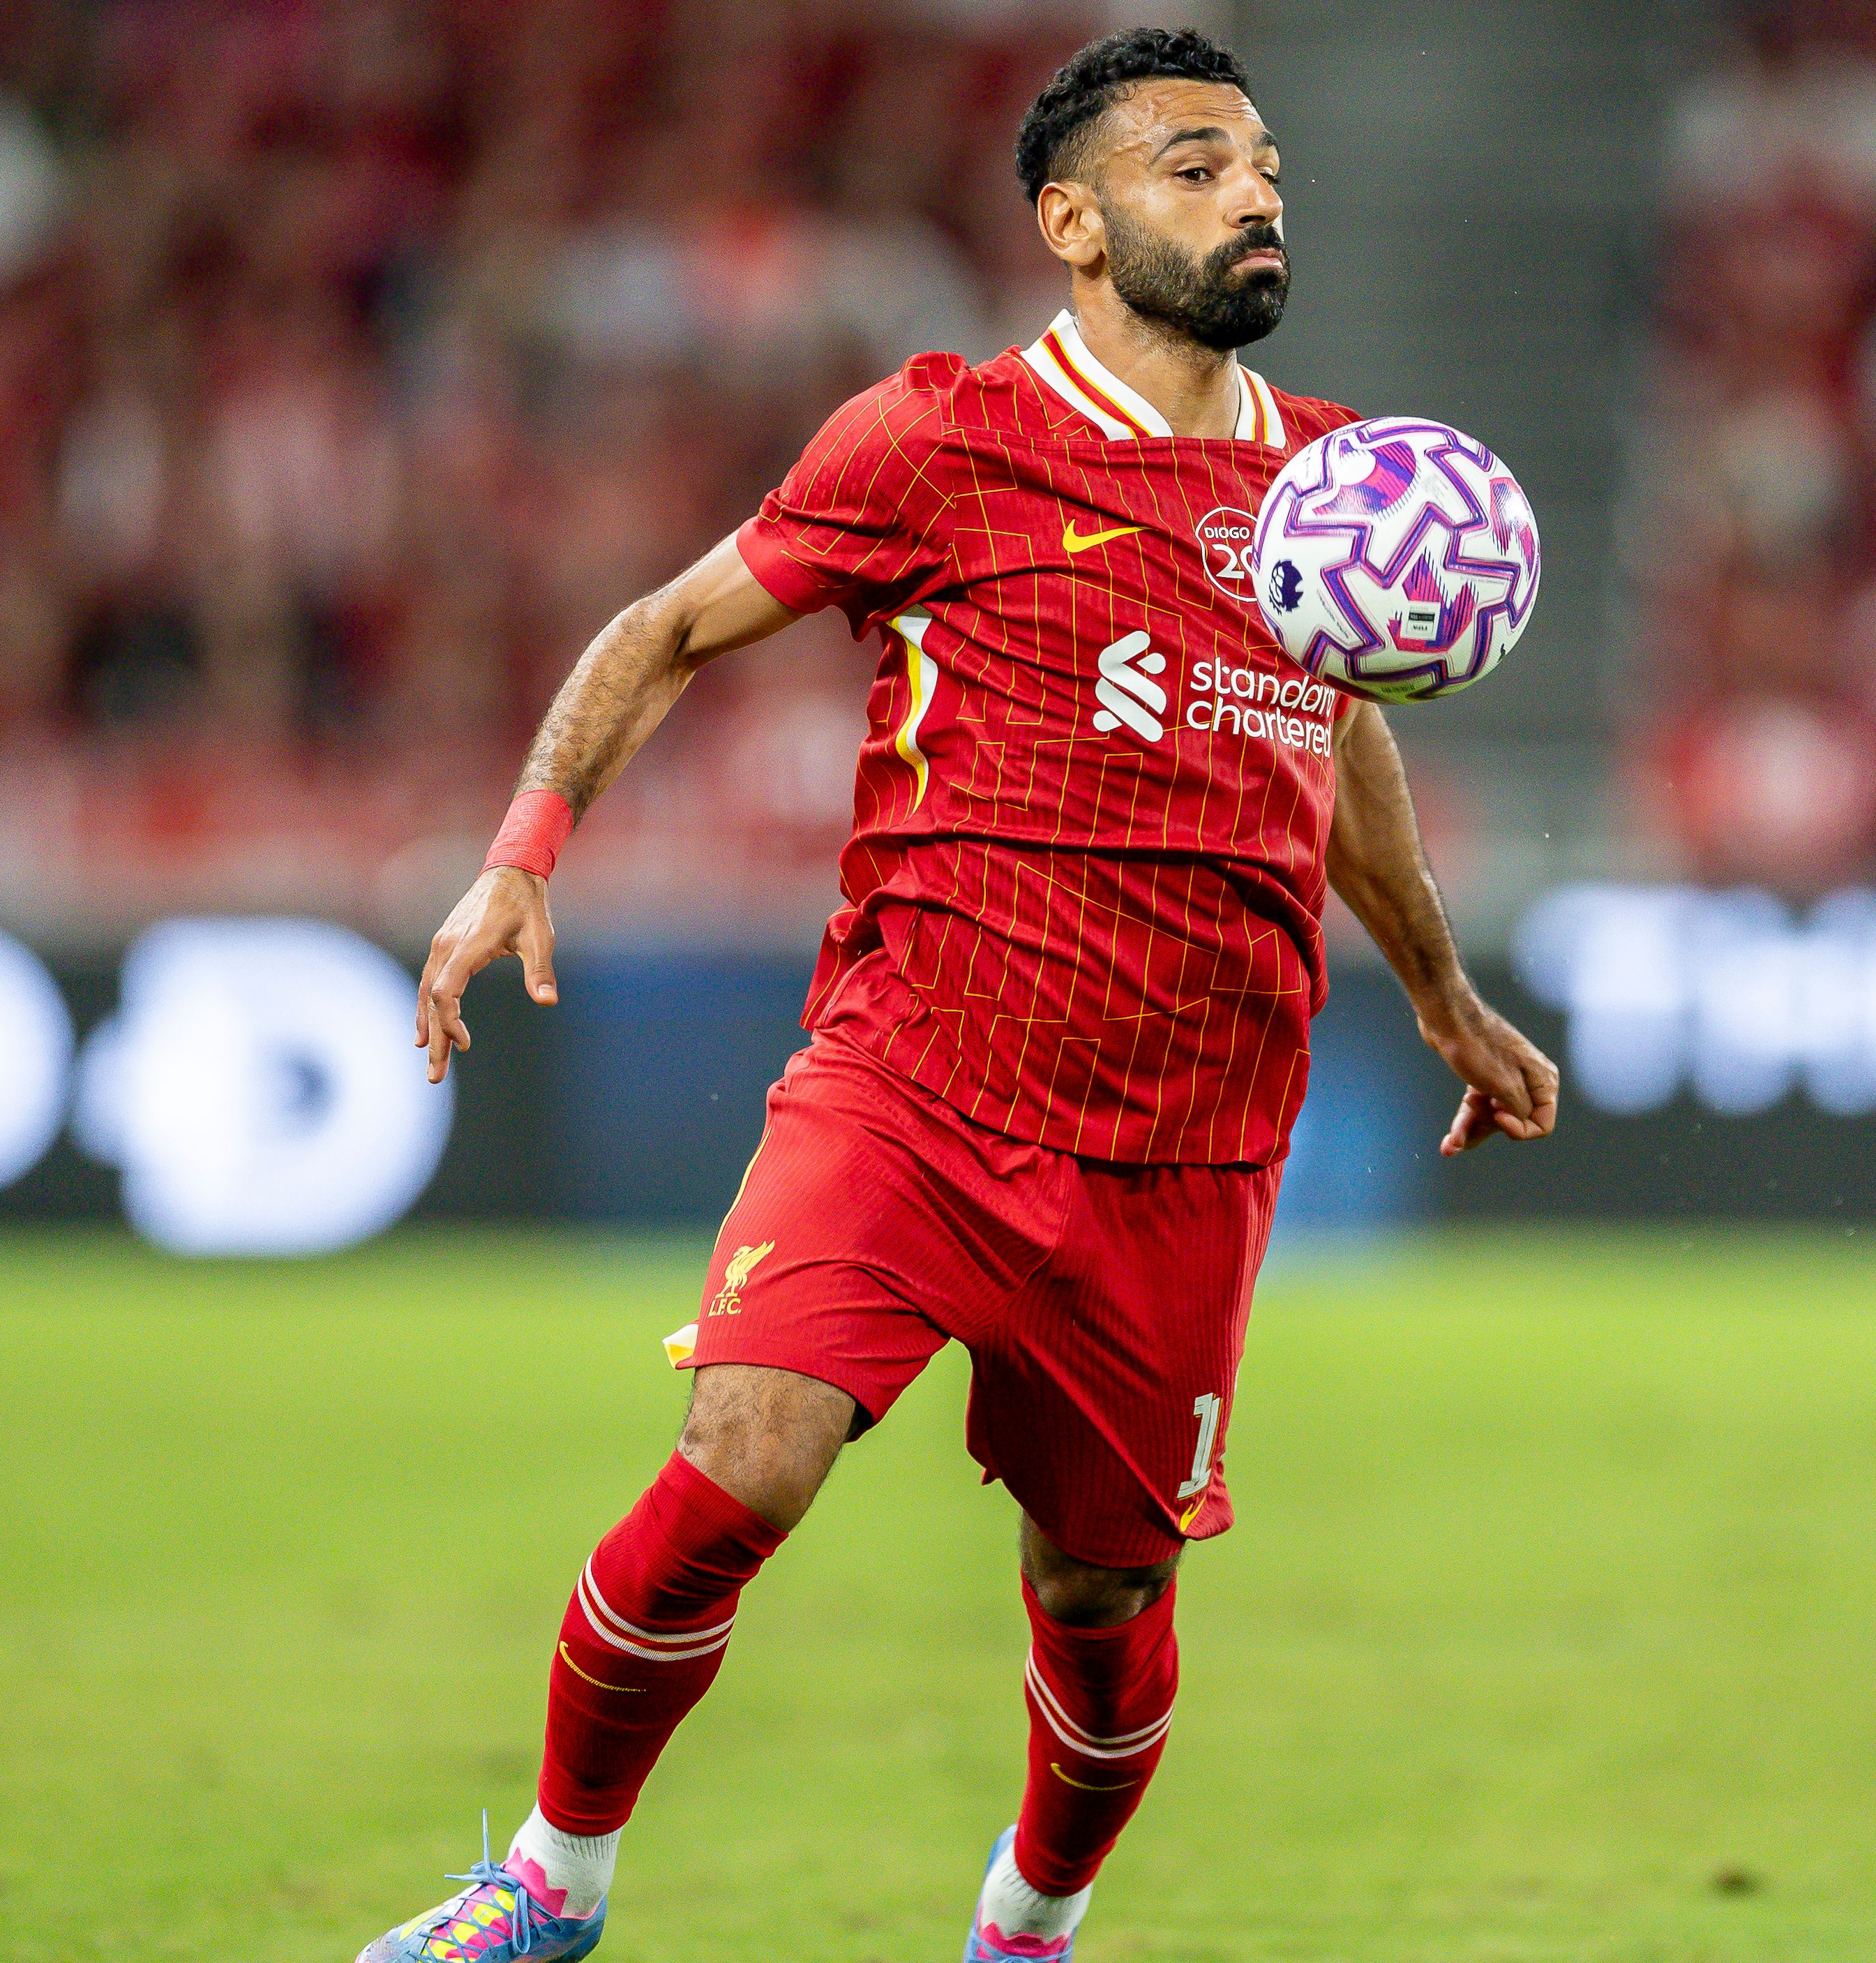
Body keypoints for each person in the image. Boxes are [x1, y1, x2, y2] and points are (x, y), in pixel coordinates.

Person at [360, 27, 1559, 1963]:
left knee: (1100, 1593)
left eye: (1266, 167)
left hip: (1184, 1139)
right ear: (1072, 223)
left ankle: (1028, 1925)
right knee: (744, 1459)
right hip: (916, 1077)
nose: (1255, 197)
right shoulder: (938, 439)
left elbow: (1338, 745)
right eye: (1196, 168)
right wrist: (522, 847)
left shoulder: (1343, 492)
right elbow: (666, 629)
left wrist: (1440, 993)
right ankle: (553, 1884)